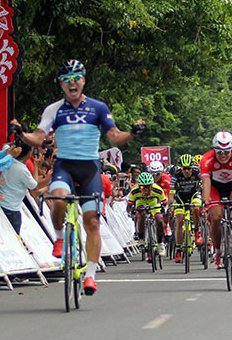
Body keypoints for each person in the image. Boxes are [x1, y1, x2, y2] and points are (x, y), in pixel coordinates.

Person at [18, 59, 146, 296]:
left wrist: (132, 134)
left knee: (92, 222)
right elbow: (39, 137)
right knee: (58, 199)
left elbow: (114, 136)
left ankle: (90, 275)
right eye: (66, 79)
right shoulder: (54, 109)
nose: (72, 83)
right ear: (61, 84)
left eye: (76, 78)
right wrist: (22, 135)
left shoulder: (98, 108)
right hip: (65, 166)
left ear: (84, 81)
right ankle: (59, 238)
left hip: (90, 169)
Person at [200, 131, 232, 269]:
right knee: (216, 217)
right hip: (214, 187)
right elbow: (206, 184)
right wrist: (205, 204)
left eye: (227, 152)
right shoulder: (207, 159)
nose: (223, 155)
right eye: (219, 152)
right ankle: (217, 251)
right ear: (214, 150)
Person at [0, 142, 49, 234]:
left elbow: (5, 145)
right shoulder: (22, 170)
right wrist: (36, 166)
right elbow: (34, 186)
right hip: (11, 209)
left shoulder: (7, 157)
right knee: (13, 237)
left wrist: (20, 141)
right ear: (29, 153)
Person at [170, 154, 203, 262]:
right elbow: (171, 191)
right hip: (180, 197)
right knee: (179, 221)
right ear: (181, 168)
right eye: (184, 168)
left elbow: (204, 185)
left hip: (194, 195)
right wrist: (170, 203)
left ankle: (197, 230)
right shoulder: (176, 174)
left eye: (189, 168)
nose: (187, 171)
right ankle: (178, 249)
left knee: (196, 208)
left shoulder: (197, 172)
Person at [127, 172, 167, 260]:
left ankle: (160, 243)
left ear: (152, 185)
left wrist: (164, 210)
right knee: (141, 215)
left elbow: (164, 203)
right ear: (139, 186)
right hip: (141, 202)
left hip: (154, 203)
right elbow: (130, 204)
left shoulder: (157, 190)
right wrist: (130, 212)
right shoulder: (134, 191)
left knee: (159, 220)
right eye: (142, 187)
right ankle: (141, 239)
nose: (145, 189)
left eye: (148, 187)